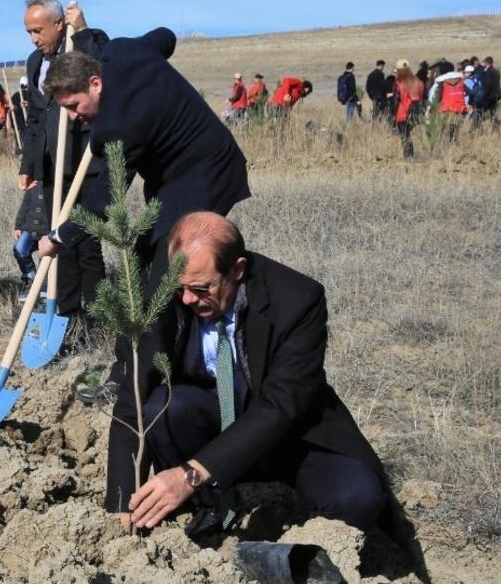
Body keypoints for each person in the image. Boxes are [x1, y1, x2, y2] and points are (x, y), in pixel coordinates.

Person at [38, 28, 250, 464]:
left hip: (205, 171)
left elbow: (106, 200)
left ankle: (152, 375)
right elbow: (166, 38)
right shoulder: (124, 50)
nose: (74, 118)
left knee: (162, 274)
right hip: (175, 172)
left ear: (95, 83)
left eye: (75, 107)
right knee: (138, 260)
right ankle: (128, 362)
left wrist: (60, 236)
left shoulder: (117, 126)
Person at [121, 212, 389, 536]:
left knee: (357, 497)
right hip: (210, 418)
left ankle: (296, 553)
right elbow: (134, 385)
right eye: (182, 288)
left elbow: (281, 404)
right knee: (164, 408)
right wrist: (122, 498)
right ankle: (211, 510)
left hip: (291, 433)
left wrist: (189, 474)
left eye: (202, 288)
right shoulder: (172, 285)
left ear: (237, 269)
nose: (188, 298)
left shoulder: (298, 300)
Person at [18, 0, 110, 334]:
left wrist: (83, 29)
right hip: (50, 163)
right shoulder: (33, 62)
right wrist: (28, 163)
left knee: (85, 240)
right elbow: (34, 116)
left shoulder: (80, 49)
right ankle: (68, 313)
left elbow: (105, 70)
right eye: (28, 31)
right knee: (56, 239)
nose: (33, 38)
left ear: (59, 24)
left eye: (38, 30)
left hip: (82, 162)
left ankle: (99, 314)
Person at [394, 60, 424, 158]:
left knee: (404, 135)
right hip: (417, 112)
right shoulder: (418, 81)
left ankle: (408, 156)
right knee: (408, 134)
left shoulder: (398, 82)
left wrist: (393, 114)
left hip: (403, 113)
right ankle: (411, 155)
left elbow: (396, 100)